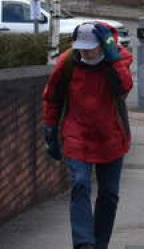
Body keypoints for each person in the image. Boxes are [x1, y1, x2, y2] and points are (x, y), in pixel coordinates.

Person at [42, 21, 133, 249]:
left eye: (91, 47)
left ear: (103, 45)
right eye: (82, 47)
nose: (86, 52)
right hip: (77, 134)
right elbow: (52, 97)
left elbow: (124, 88)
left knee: (109, 195)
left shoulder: (118, 60)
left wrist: (113, 59)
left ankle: (99, 243)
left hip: (111, 137)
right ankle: (84, 244)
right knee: (80, 184)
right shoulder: (68, 62)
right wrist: (50, 128)